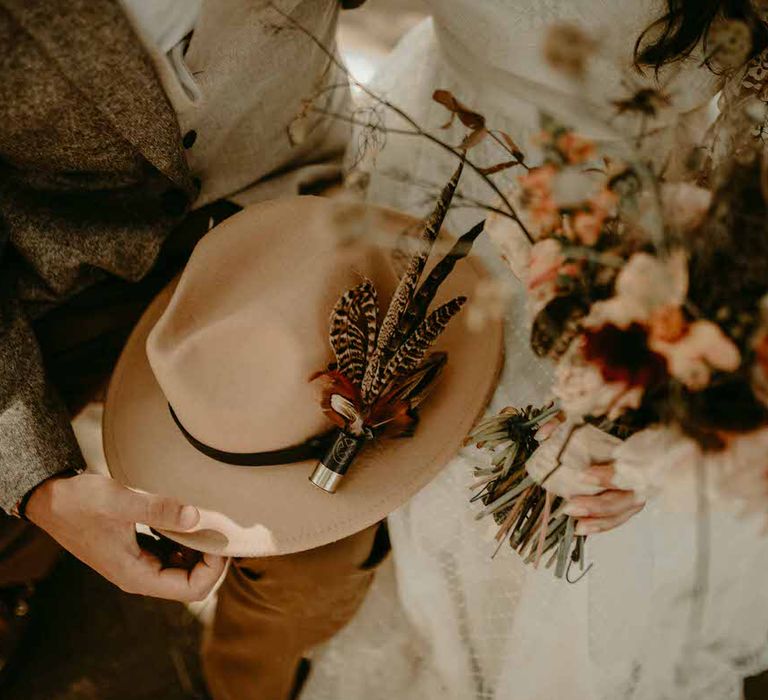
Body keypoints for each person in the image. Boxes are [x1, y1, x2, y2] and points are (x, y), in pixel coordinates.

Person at [301, 2, 768, 699]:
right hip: (458, 159)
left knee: (583, 549)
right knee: (440, 474)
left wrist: (660, 403)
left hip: (668, 223)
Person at [0, 1, 387, 698]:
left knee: (325, 545)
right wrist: (38, 485)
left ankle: (246, 673)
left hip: (281, 224)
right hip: (45, 272)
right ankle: (18, 575)